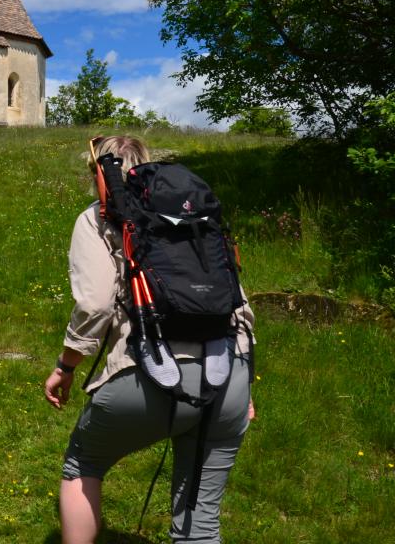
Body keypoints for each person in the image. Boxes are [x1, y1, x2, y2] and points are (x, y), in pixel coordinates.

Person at [44, 135, 256, 544]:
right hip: (227, 374)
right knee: (201, 523)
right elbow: (237, 304)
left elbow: (96, 305)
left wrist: (65, 366)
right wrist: (244, 388)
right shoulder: (201, 222)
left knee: (82, 463)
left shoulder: (98, 218)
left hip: (146, 375)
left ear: (97, 174)